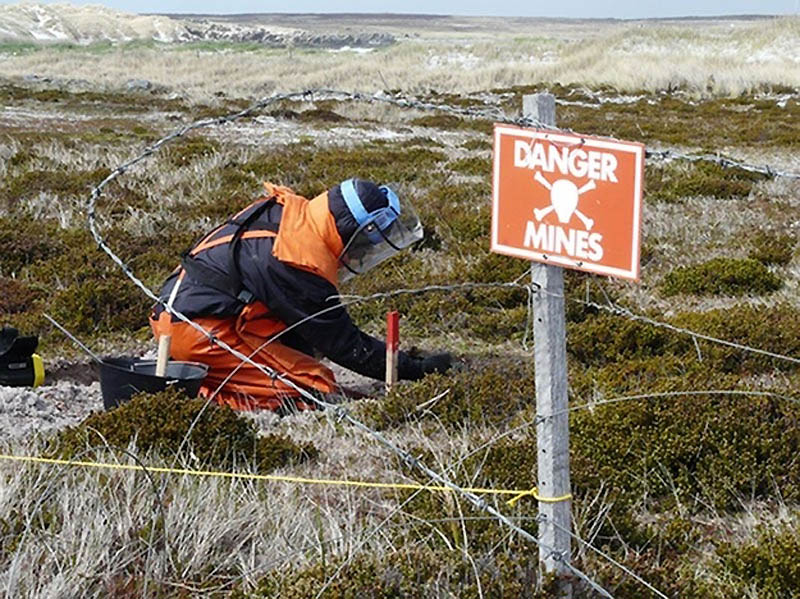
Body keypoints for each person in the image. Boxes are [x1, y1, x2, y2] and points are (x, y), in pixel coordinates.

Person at [150, 178, 452, 411]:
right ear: (352, 231)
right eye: (366, 242)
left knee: (302, 352)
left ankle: (196, 374)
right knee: (312, 387)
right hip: (201, 334)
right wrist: (416, 370)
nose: (365, 252)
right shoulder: (298, 259)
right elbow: (345, 346)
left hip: (186, 314)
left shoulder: (293, 215)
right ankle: (200, 392)